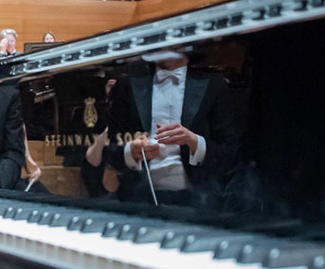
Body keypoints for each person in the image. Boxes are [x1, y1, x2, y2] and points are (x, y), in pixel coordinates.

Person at [95, 49, 238, 207]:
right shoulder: (127, 85)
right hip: (139, 200)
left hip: (199, 201)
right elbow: (108, 149)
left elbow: (230, 151)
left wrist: (194, 142)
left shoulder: (214, 86)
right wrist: (131, 152)